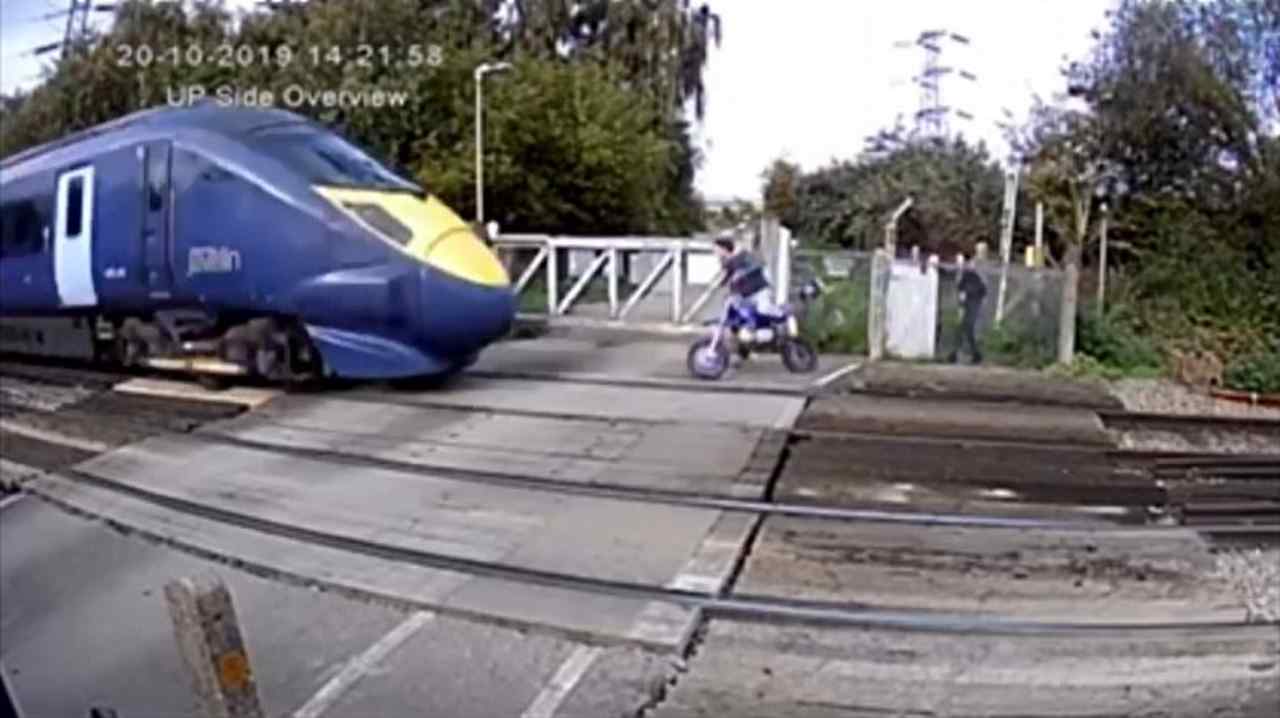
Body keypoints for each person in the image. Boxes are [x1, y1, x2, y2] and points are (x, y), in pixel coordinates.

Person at [712, 236, 777, 319]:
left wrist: (742, 273)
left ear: (724, 248)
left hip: (759, 290)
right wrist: (720, 283)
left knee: (764, 310)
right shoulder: (725, 262)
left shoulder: (743, 255)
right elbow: (729, 276)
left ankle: (782, 313)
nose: (715, 251)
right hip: (744, 294)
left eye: (716, 249)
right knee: (732, 308)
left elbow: (757, 265)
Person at [947, 253, 986, 364]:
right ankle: (959, 354)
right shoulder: (966, 276)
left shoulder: (974, 277)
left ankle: (970, 354)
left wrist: (968, 295)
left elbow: (981, 291)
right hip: (966, 307)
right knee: (963, 331)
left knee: (966, 330)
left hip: (972, 307)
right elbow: (960, 289)